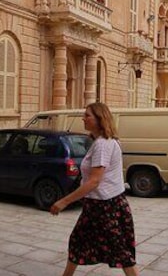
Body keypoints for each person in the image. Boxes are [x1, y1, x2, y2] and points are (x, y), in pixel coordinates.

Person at [50, 102, 138, 276]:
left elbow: (94, 181)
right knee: (78, 242)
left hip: (106, 207)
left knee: (121, 251)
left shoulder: (102, 145)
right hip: (98, 205)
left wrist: (63, 201)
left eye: (87, 115)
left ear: (100, 119)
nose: (83, 118)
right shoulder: (105, 141)